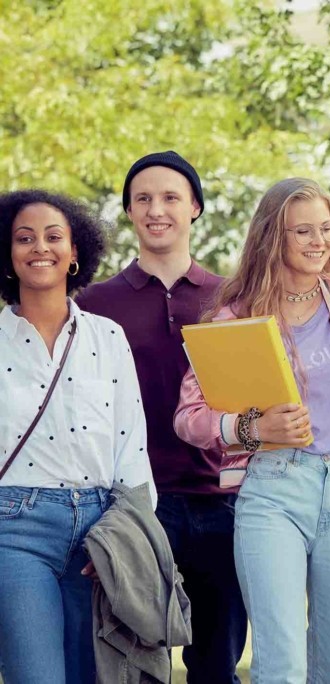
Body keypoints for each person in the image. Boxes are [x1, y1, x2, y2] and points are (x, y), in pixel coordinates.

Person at [174, 178, 330, 684]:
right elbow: (188, 418)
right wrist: (251, 426)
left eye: (326, 229)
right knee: (281, 658)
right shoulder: (235, 317)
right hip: (272, 488)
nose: (319, 241)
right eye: (302, 231)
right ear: (273, 237)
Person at [75, 151, 247, 683]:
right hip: (134, 508)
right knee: (134, 664)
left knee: (217, 666)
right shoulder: (93, 303)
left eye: (171, 197)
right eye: (143, 198)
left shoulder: (234, 298)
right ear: (128, 211)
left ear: (194, 207)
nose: (157, 209)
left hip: (224, 503)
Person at [0, 190, 155, 684]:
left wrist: (125, 534)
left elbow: (131, 444)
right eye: (24, 238)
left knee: (101, 676)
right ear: (8, 255)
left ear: (74, 254)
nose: (38, 247)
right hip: (15, 531)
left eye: (53, 237)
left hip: (100, 528)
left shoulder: (108, 338)